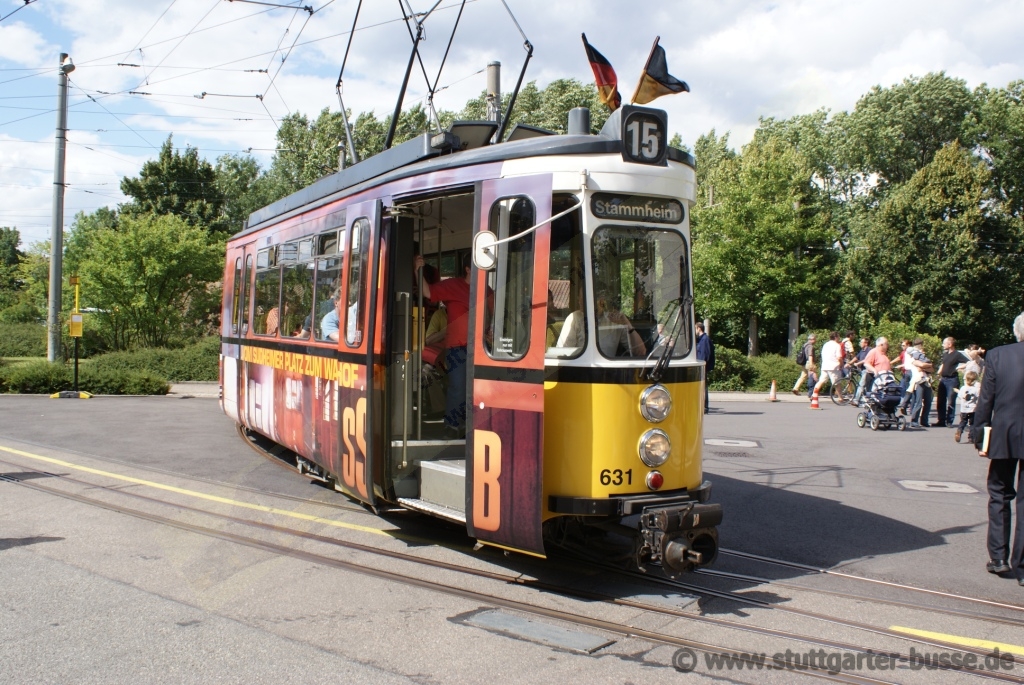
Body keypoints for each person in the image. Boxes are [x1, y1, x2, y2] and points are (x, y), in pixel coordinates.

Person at [974, 312, 1024, 582]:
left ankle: (999, 557)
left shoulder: (998, 355)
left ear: (1017, 332)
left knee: (999, 494)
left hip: (1005, 433)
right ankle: (1023, 566)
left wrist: (980, 434)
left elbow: (986, 399)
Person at [415, 253, 472, 438]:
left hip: (481, 349)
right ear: (468, 269)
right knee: (458, 388)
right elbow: (428, 292)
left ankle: (468, 426)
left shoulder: (486, 290)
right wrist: (418, 270)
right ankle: (452, 427)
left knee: (474, 390)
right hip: (457, 349)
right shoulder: (453, 286)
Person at [595, 291, 645, 357]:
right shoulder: (580, 319)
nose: (580, 301)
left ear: (602, 301)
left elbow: (641, 352)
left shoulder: (614, 321)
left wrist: (627, 324)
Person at [936, 337, 970, 428]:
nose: (943, 345)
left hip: (952, 380)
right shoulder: (945, 354)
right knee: (940, 401)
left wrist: (959, 367)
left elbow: (968, 362)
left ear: (950, 344)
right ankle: (941, 420)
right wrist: (938, 373)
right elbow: (943, 364)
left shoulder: (957, 354)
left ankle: (949, 421)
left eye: (944, 343)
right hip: (943, 379)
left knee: (951, 401)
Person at [814, 331, 843, 398]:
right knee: (837, 383)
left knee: (821, 381)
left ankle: (814, 394)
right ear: (835, 337)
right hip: (834, 367)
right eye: (838, 336)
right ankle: (840, 397)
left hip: (825, 366)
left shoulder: (825, 345)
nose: (839, 338)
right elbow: (839, 357)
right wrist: (841, 364)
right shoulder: (837, 345)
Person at [955, 370, 981, 443]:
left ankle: (959, 430)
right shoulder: (976, 390)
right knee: (972, 424)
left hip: (964, 409)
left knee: (963, 421)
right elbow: (979, 397)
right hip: (972, 409)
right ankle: (971, 437)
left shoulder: (963, 388)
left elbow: (960, 396)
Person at [696, 322, 715, 414]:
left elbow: (705, 354)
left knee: (703, 387)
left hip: (702, 366)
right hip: (701, 366)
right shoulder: (701, 339)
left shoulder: (705, 339)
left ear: (699, 328)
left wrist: (702, 365)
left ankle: (705, 407)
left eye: (695, 328)